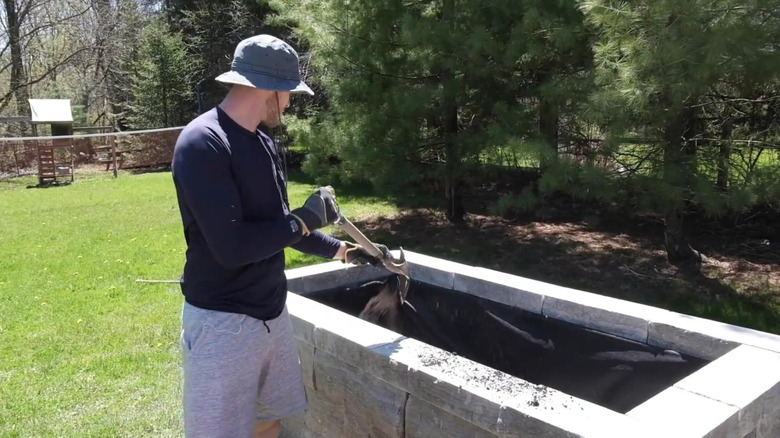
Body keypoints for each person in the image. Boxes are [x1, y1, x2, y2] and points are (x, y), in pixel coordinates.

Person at [171, 34, 384, 438]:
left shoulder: (264, 142)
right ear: (268, 88)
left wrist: (344, 250)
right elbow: (232, 248)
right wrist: (304, 219)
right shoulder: (203, 143)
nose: (288, 103)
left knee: (270, 422)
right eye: (287, 93)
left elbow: (278, 226)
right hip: (223, 321)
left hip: (272, 312)